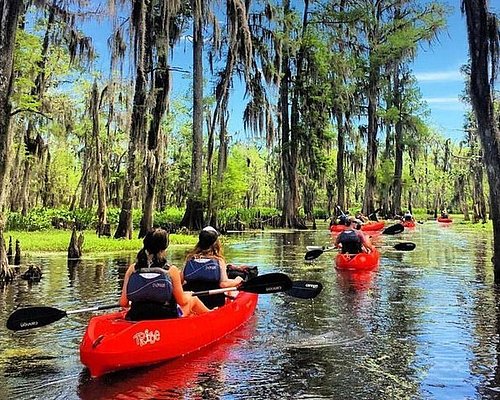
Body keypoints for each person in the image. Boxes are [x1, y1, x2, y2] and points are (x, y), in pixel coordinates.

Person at [120, 228, 210, 321]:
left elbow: (123, 302)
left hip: (136, 315)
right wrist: (189, 295)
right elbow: (182, 301)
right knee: (193, 299)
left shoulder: (133, 269)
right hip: (166, 317)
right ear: (164, 247)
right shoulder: (171, 270)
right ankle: (213, 317)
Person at [182, 226, 244, 308]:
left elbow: (180, 280)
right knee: (231, 289)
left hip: (192, 299)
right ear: (215, 244)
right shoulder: (219, 261)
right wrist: (237, 280)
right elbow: (224, 284)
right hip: (213, 302)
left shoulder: (190, 259)